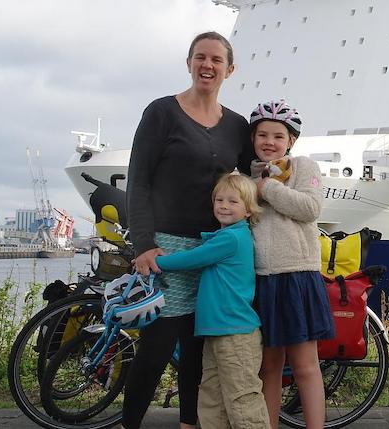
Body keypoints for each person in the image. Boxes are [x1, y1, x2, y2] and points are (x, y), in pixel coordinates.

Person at [124, 31, 251, 429]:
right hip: (168, 247)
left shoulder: (237, 125)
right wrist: (143, 243)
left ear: (230, 69)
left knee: (198, 352)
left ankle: (190, 423)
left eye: (216, 60)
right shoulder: (162, 112)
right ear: (189, 62)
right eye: (200, 57)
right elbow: (139, 181)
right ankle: (129, 423)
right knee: (156, 348)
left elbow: (250, 179)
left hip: (216, 250)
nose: (207, 66)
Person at [155, 174, 269, 429]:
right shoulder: (225, 236)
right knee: (212, 397)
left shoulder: (231, 238)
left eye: (232, 201)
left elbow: (191, 259)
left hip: (235, 334)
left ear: (249, 211)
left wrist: (155, 262)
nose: (224, 206)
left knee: (242, 398)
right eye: (219, 200)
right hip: (219, 332)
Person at [247, 100, 331, 429]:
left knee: (305, 365)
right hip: (261, 279)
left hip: (297, 275)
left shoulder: (303, 168)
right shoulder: (243, 177)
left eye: (278, 136)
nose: (270, 142)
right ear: (253, 139)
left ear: (291, 141)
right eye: (262, 135)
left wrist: (268, 187)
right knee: (268, 366)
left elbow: (310, 208)